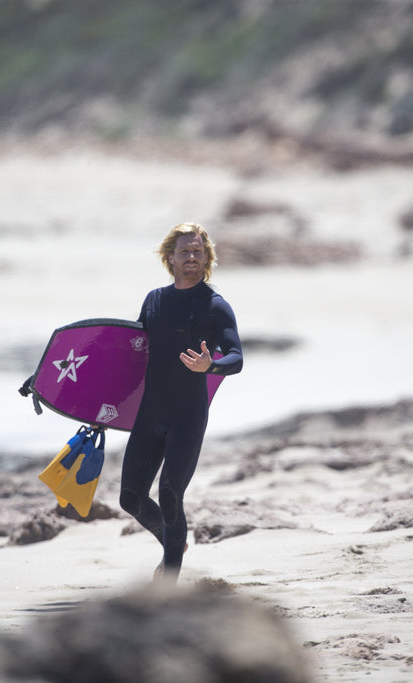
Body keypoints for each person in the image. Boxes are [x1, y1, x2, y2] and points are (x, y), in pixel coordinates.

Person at [119, 222, 243, 583]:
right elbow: (131, 357)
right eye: (185, 251)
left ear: (207, 258)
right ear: (169, 257)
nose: (192, 257)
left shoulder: (215, 306)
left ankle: (169, 576)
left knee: (171, 494)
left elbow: (236, 356)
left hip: (187, 414)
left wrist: (212, 365)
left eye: (198, 251)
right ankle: (175, 541)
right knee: (130, 498)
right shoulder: (154, 301)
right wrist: (99, 406)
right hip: (150, 411)